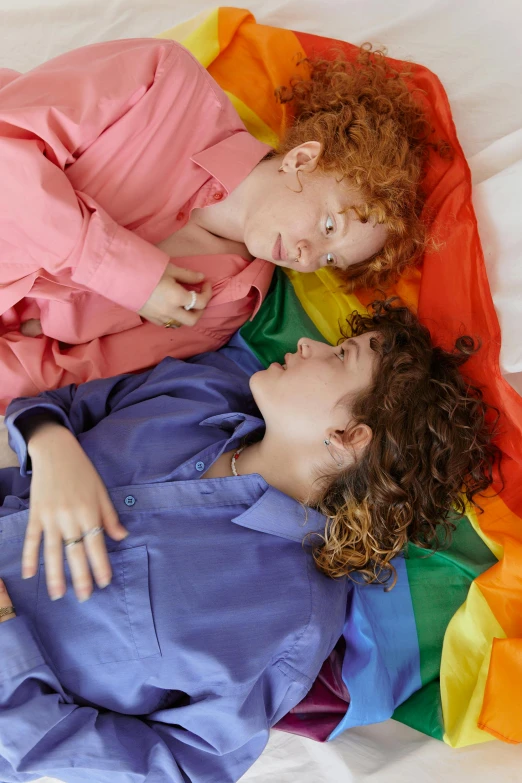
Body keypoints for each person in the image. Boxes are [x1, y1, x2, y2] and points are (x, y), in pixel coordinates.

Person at [0, 300, 496, 782]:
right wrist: (49, 443)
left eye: (342, 355)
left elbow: (177, 767)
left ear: (351, 435)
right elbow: (53, 404)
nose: (307, 343)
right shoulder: (201, 388)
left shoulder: (292, 623)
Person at [0, 37, 429, 409]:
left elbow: (64, 375)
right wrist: (126, 275)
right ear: (302, 160)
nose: (307, 255)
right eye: (329, 227)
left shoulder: (230, 303)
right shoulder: (163, 80)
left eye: (330, 257)